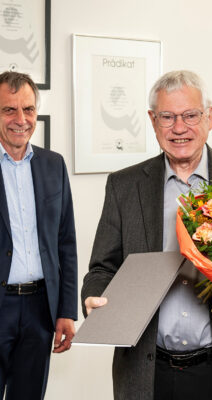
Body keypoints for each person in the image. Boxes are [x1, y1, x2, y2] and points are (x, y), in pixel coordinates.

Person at [82, 70, 212, 400]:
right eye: (167, 117)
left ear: (209, 117)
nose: (179, 128)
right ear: (153, 121)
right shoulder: (124, 186)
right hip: (148, 369)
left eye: (190, 115)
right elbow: (101, 268)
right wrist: (93, 298)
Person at [0, 71, 77, 400]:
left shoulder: (53, 164)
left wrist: (66, 310)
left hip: (39, 309)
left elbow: (66, 243)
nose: (21, 119)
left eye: (28, 109)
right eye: (9, 110)